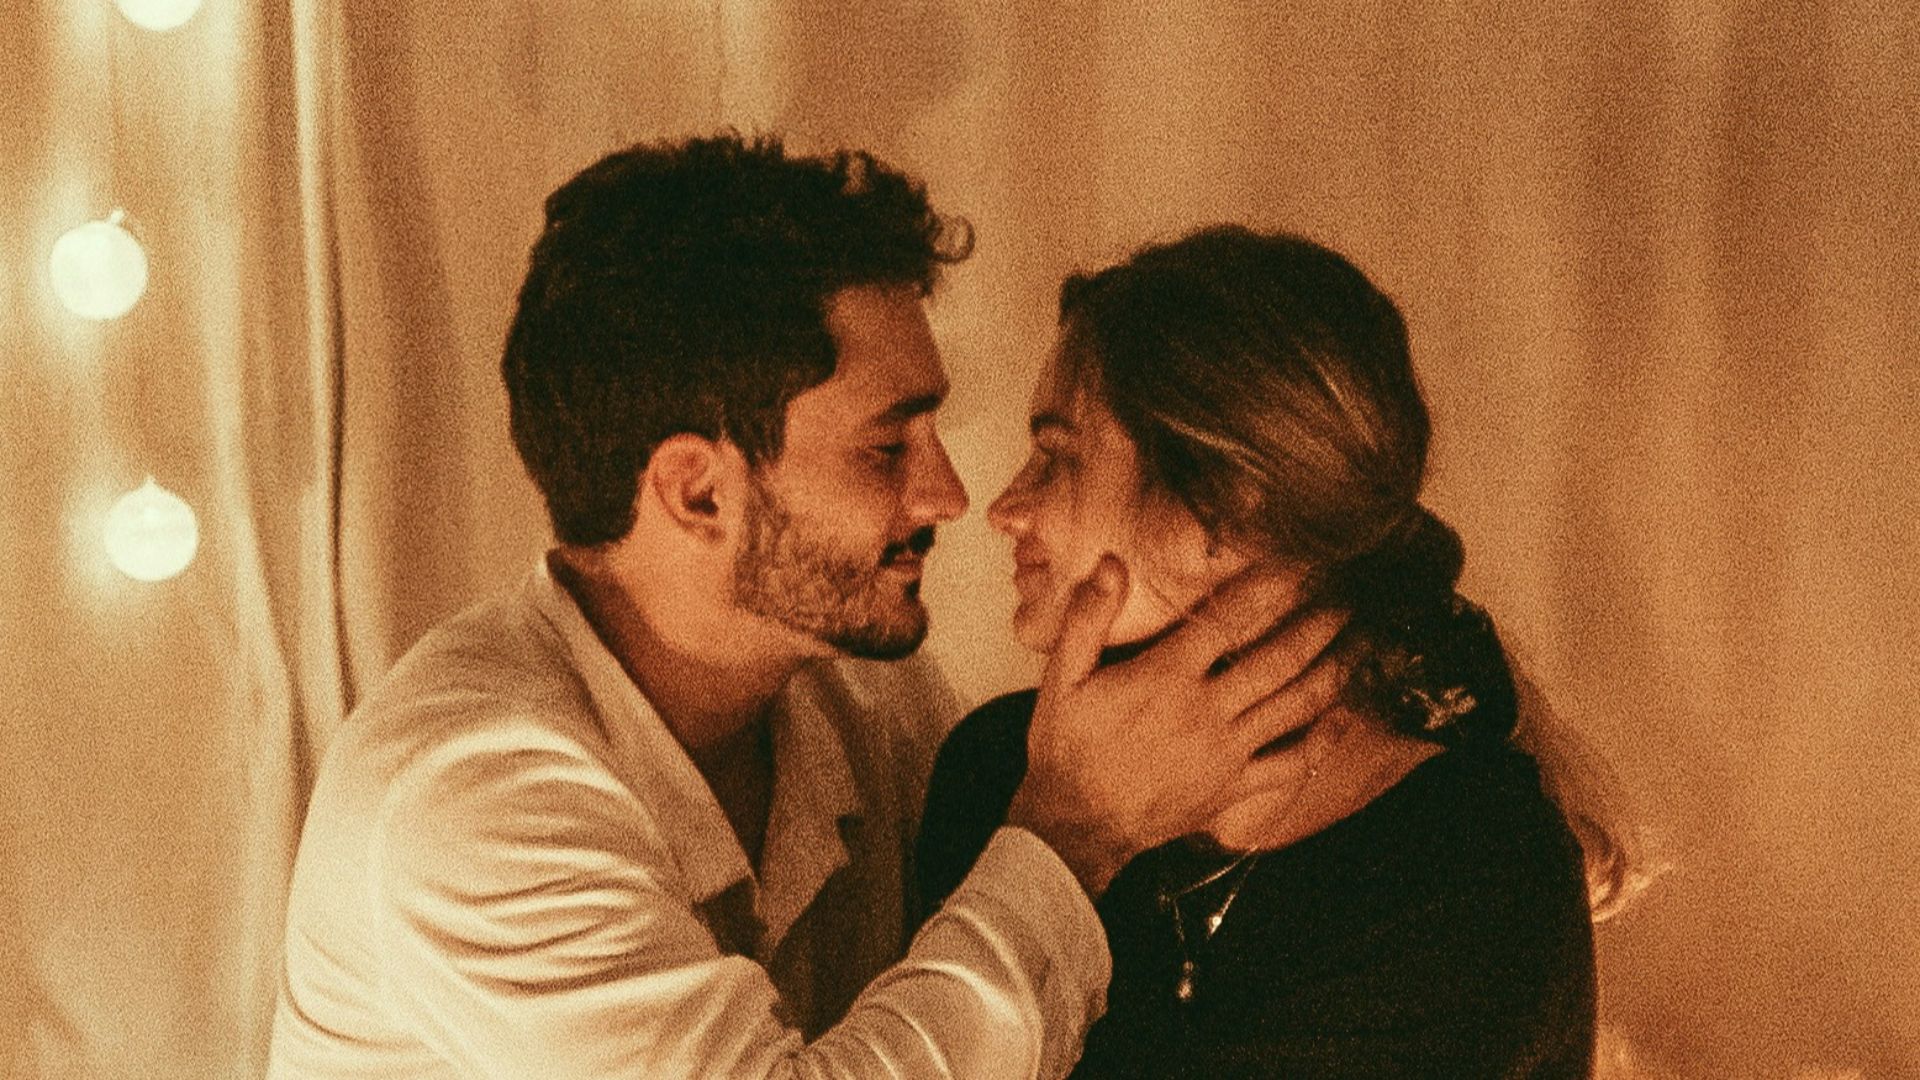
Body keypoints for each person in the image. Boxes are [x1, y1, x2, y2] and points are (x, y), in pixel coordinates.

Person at [267, 136, 1351, 1079]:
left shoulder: (863, 700)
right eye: (889, 447)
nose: (949, 497)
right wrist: (1075, 830)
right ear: (699, 491)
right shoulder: (469, 800)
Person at [915, 226, 1630, 1077]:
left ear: (1225, 506)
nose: (1003, 508)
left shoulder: (1474, 874)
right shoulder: (997, 773)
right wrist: (1058, 833)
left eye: (1056, 458)